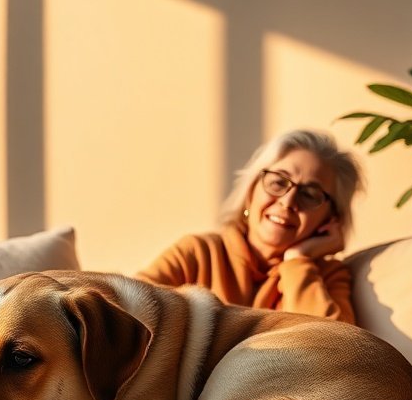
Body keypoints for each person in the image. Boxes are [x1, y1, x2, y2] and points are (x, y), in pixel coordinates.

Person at [137, 129, 363, 323]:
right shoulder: (199, 252)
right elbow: (128, 310)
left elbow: (332, 352)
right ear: (251, 191)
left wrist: (297, 261)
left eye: (310, 194)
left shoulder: (329, 277)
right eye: (278, 182)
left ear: (331, 217)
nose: (288, 201)